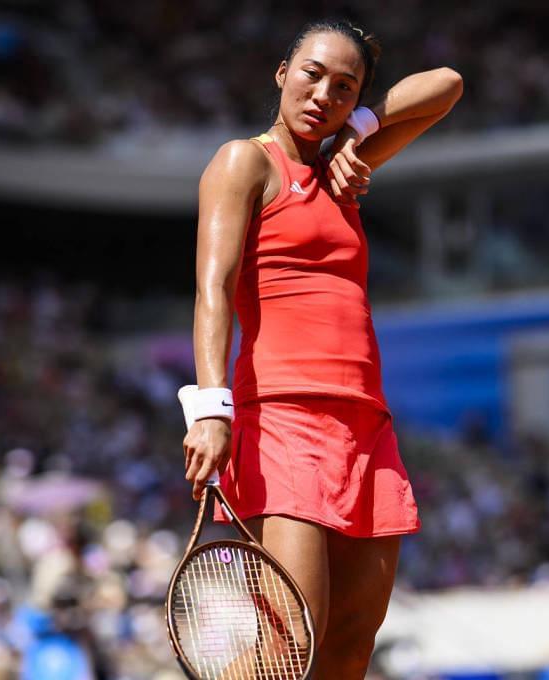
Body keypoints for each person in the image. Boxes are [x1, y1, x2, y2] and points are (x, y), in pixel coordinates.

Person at [182, 16, 462, 678]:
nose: (324, 96)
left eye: (345, 87)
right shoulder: (244, 161)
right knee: (290, 644)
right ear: (282, 73)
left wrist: (360, 128)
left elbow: (447, 85)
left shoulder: (346, 168)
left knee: (351, 643)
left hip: (365, 424)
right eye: (311, 75)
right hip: (283, 418)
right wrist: (211, 409)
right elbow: (212, 288)